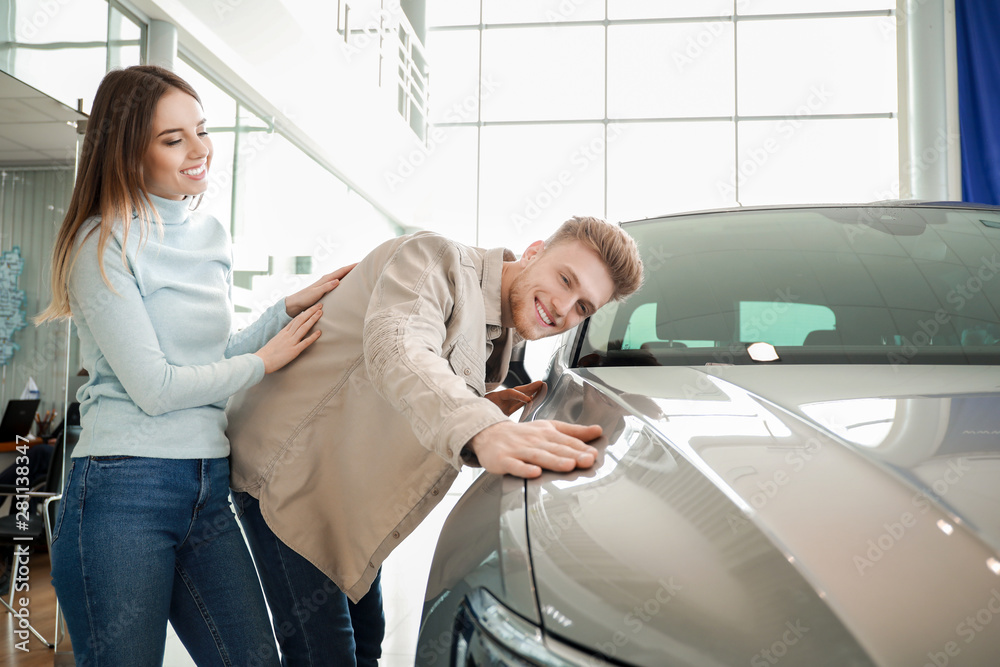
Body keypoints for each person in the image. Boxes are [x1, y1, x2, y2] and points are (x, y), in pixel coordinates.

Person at [36, 65, 351, 666]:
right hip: (122, 490)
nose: (199, 150)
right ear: (128, 155)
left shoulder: (208, 233)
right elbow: (156, 389)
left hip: (207, 485)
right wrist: (263, 362)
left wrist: (283, 312)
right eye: (172, 139)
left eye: (201, 130)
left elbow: (209, 363)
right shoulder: (100, 243)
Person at [226, 217, 644, 666]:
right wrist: (483, 427)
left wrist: (485, 403)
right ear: (534, 251)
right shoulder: (434, 259)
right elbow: (399, 347)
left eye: (583, 307)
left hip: (342, 490)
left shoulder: (498, 333)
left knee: (368, 639)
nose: (563, 308)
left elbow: (422, 374)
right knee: (326, 653)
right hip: (288, 477)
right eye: (565, 279)